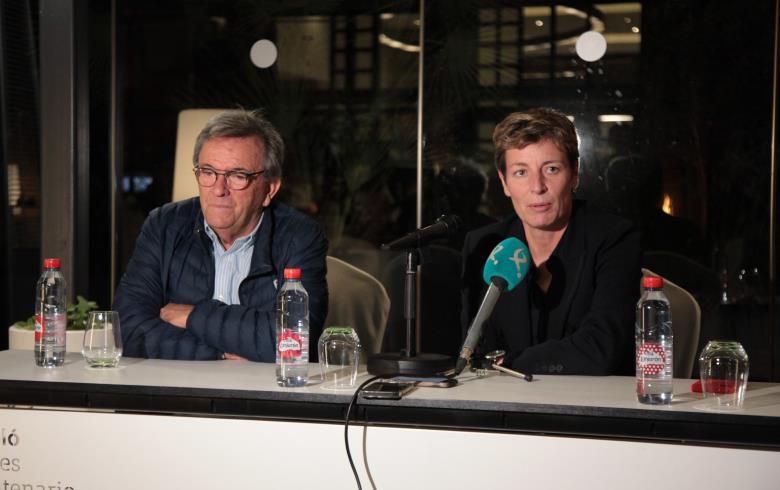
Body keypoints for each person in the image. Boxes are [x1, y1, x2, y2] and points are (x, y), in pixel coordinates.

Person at [114, 109, 328, 361]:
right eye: (208, 172)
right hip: (178, 391)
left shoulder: (299, 236)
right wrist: (220, 355)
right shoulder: (163, 226)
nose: (218, 189)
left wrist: (194, 316)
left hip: (262, 395)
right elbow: (127, 329)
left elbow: (295, 339)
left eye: (238, 176)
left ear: (270, 189)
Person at [461, 108, 640, 375]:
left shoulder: (614, 238)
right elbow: (472, 353)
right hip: (506, 406)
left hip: (592, 406)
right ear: (504, 182)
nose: (537, 186)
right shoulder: (484, 245)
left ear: (575, 174)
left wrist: (513, 363)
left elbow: (601, 349)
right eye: (521, 172)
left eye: (552, 169)